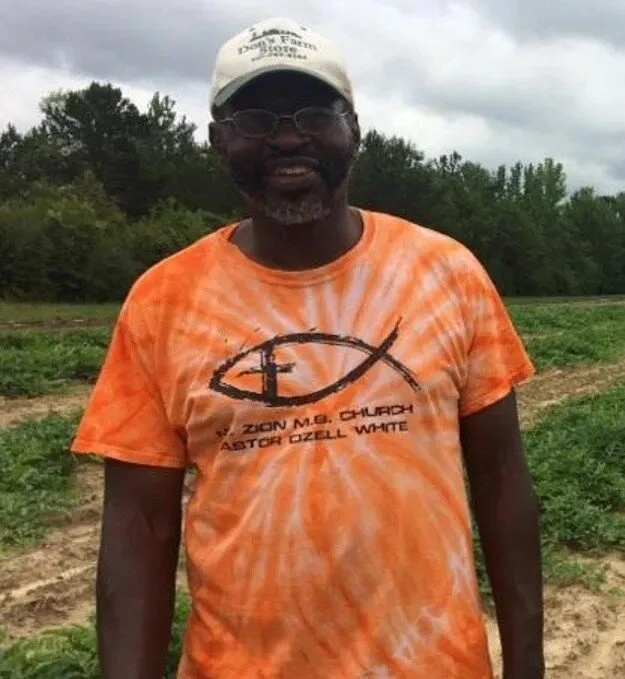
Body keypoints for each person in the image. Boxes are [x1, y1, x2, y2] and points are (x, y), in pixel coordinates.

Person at [71, 16, 544, 679]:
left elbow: (502, 482)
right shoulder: (161, 303)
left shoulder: (448, 273)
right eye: (255, 118)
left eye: (314, 113)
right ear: (217, 140)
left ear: (355, 129)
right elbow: (138, 527)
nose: (288, 137)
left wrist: (527, 666)